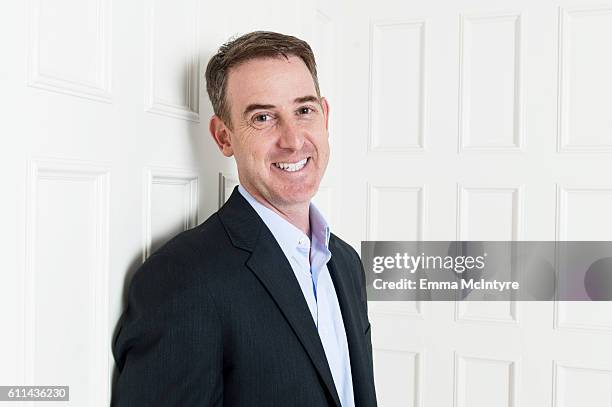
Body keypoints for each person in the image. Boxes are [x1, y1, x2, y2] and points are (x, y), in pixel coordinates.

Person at [111, 31, 377, 407]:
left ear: (325, 116)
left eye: (304, 110)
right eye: (263, 117)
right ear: (224, 137)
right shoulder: (181, 279)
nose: (292, 139)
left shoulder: (347, 263)